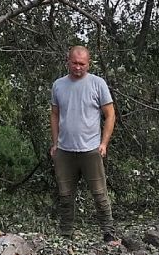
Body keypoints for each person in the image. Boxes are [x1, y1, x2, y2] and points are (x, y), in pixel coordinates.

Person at [50, 45, 118, 242]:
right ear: (67, 62)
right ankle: (65, 234)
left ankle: (108, 233)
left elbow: (110, 114)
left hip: (91, 149)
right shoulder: (58, 85)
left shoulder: (98, 84)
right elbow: (54, 114)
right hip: (65, 150)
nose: (78, 67)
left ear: (88, 64)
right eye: (74, 63)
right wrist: (54, 143)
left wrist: (104, 143)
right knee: (65, 195)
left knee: (99, 194)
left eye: (82, 64)